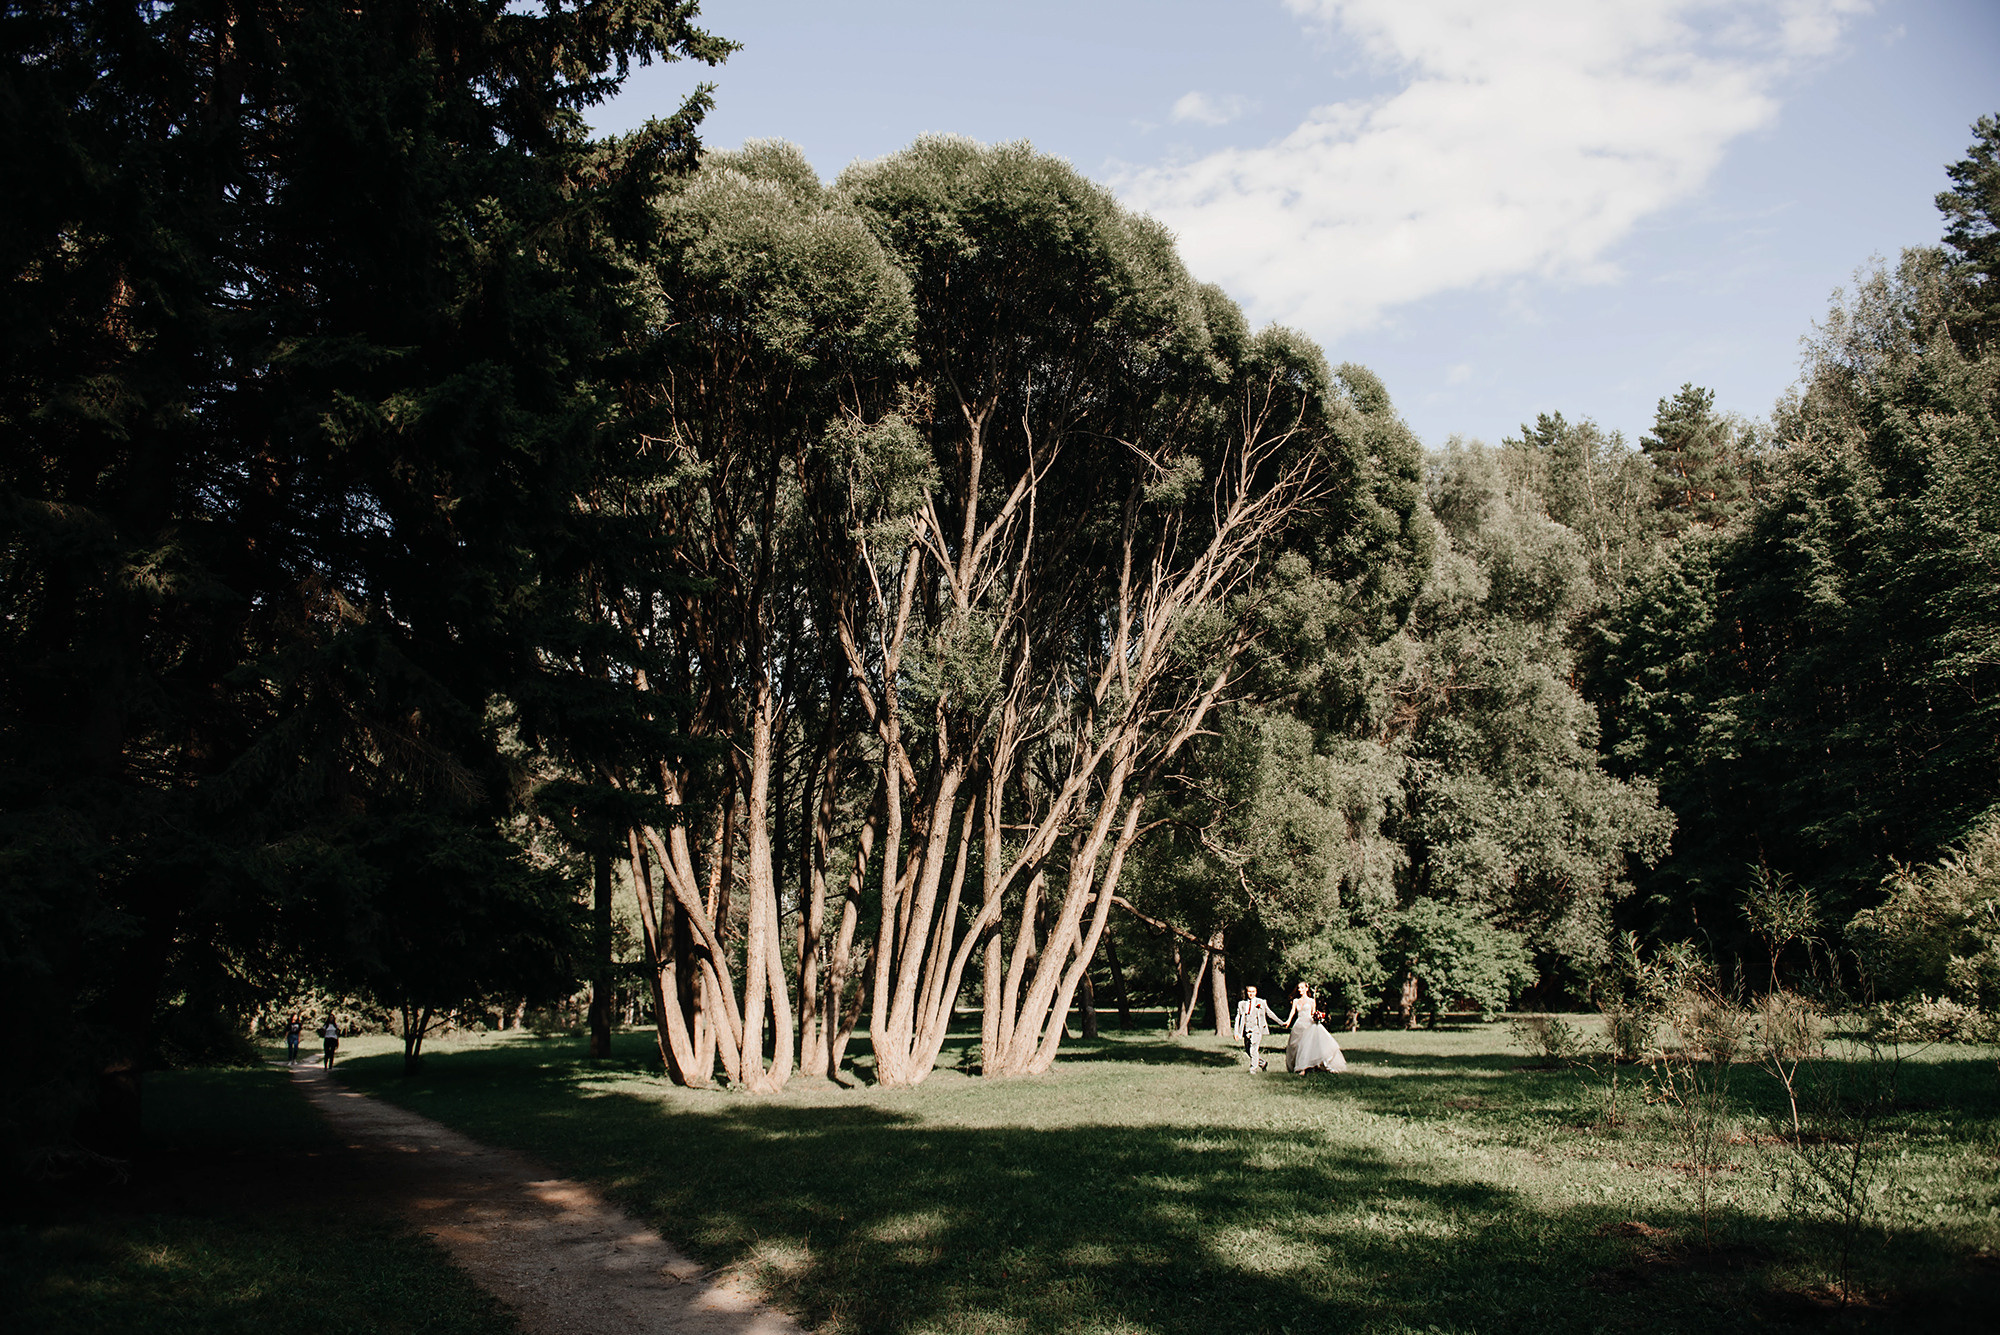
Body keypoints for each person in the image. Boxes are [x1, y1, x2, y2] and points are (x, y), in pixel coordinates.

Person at [1282, 982, 1347, 1074]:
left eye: (1302, 988)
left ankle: (1304, 1067)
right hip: (1299, 1024)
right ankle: (1298, 1065)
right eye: (1299, 988)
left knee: (1306, 1045)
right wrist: (1288, 1021)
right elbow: (1293, 1012)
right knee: (1296, 1045)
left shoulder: (1311, 1001)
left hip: (1309, 1024)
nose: (1300, 990)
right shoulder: (1296, 1001)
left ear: (1306, 989)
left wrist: (1318, 1017)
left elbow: (1313, 1013)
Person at [1231, 985, 1284, 1071]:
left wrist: (1281, 1023)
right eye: (1249, 992)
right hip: (1246, 1030)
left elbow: (1269, 1013)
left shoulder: (1261, 1002)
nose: (1251, 994)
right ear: (1246, 992)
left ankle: (1253, 1069)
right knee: (1248, 1050)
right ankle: (1262, 1063)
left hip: (1257, 1029)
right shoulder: (1242, 1004)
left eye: (1253, 992)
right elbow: (1238, 1018)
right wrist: (1236, 1032)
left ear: (1256, 992)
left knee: (1253, 1049)